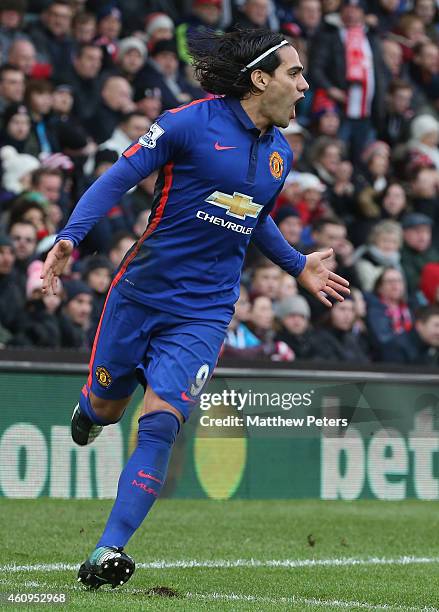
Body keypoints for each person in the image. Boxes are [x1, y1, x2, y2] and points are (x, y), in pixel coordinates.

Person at [41, 29, 349, 589]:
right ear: (260, 79)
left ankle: (107, 550)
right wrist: (71, 236)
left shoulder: (280, 155)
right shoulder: (188, 123)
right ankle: (89, 411)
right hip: (139, 294)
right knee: (107, 411)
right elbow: (119, 177)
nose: (305, 86)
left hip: (205, 312)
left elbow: (252, 214)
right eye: (295, 74)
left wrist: (297, 264)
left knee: (160, 422)